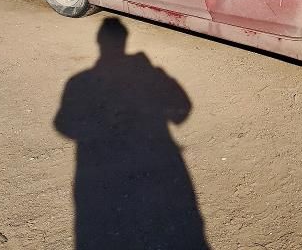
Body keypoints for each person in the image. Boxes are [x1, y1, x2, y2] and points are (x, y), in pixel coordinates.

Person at [54, 17, 209, 250]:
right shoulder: (153, 74)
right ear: (125, 41)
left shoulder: (78, 82)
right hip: (157, 166)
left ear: (99, 42)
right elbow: (182, 109)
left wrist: (95, 129)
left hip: (101, 174)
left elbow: (63, 124)